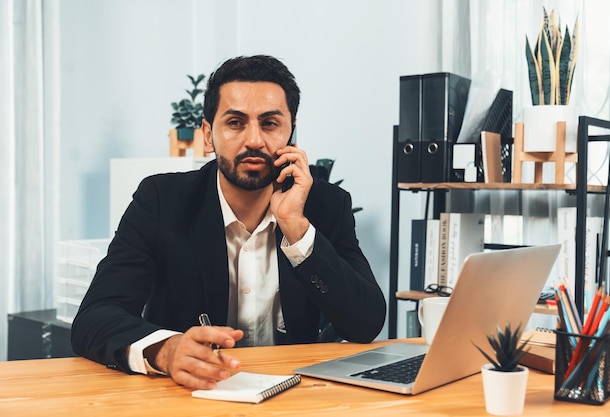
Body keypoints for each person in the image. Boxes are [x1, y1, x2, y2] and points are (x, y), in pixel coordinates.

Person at [71, 55, 386, 390]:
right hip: (188, 397)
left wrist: (295, 227)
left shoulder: (324, 204)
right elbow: (95, 317)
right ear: (209, 135)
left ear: (291, 133)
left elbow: (365, 324)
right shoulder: (161, 200)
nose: (253, 140)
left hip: (295, 396)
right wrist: (165, 350)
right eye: (235, 123)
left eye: (269, 124)